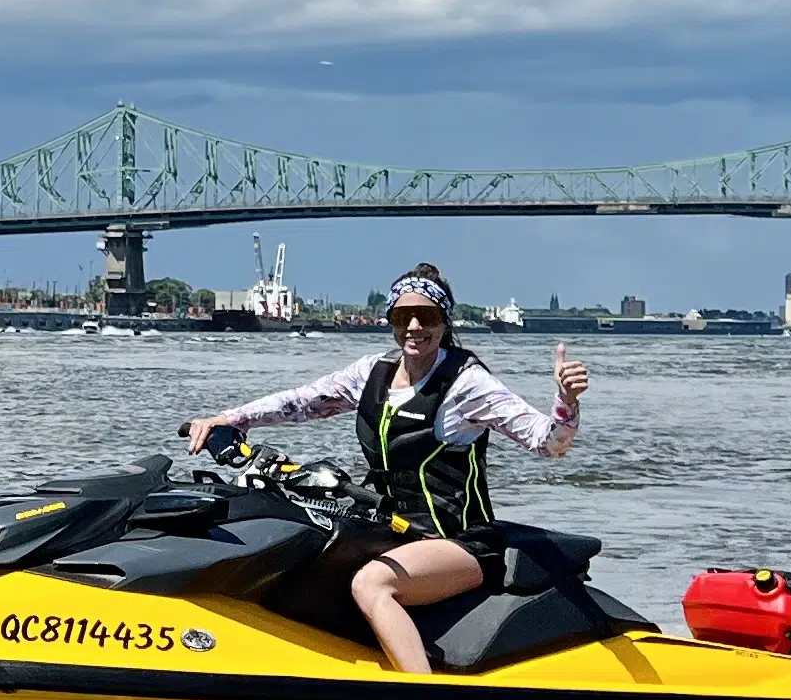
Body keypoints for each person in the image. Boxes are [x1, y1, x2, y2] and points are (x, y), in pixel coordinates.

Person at [180, 265, 589, 676]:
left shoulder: (467, 384)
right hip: (389, 528)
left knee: (371, 584)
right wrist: (228, 420)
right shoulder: (372, 373)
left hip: (456, 540)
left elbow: (548, 443)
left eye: (427, 316)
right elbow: (300, 402)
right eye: (401, 316)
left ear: (444, 322)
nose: (413, 327)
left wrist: (566, 401)